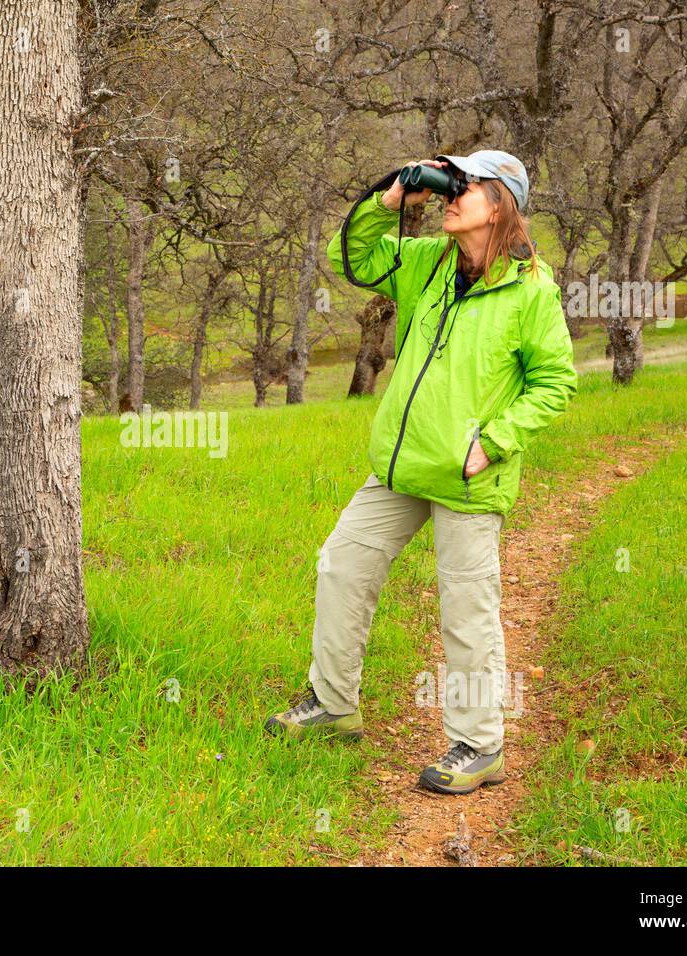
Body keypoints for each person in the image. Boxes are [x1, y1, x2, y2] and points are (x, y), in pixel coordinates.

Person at [264, 150, 578, 795]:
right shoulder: (426, 263)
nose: (451, 196)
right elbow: (353, 259)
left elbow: (554, 382)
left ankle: (479, 745)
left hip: (467, 477)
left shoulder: (531, 292)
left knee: (466, 612)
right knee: (341, 567)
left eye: (466, 187)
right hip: (400, 467)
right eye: (449, 184)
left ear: (502, 205)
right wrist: (390, 200)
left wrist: (493, 441)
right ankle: (334, 706)